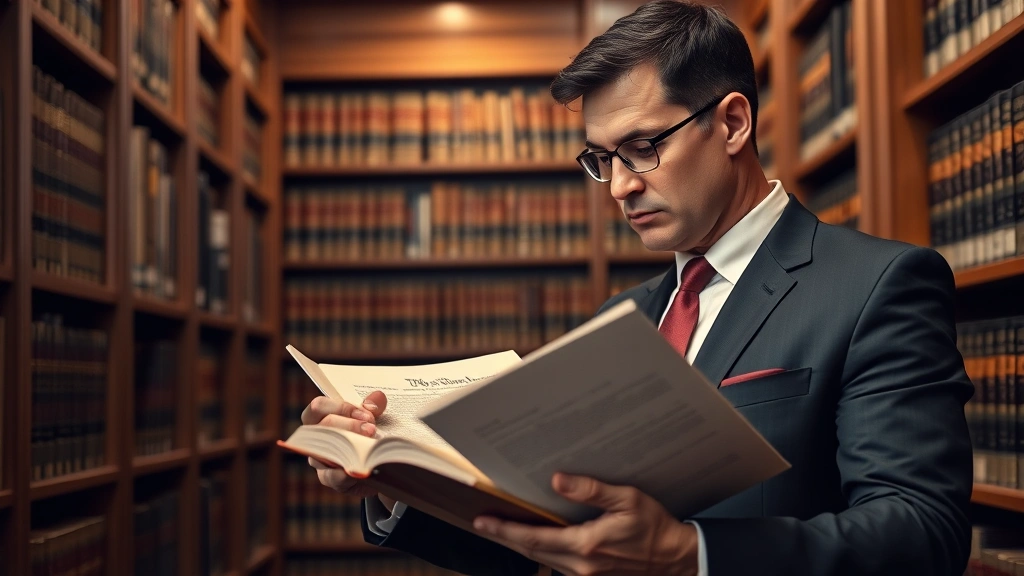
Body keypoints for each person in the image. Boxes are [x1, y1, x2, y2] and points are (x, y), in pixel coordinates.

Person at [299, 1, 975, 574]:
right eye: (601, 159)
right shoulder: (621, 318)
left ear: (733, 123)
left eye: (643, 146)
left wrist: (694, 554)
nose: (620, 185)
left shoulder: (877, 285)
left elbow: (922, 530)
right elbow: (555, 534)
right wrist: (392, 479)